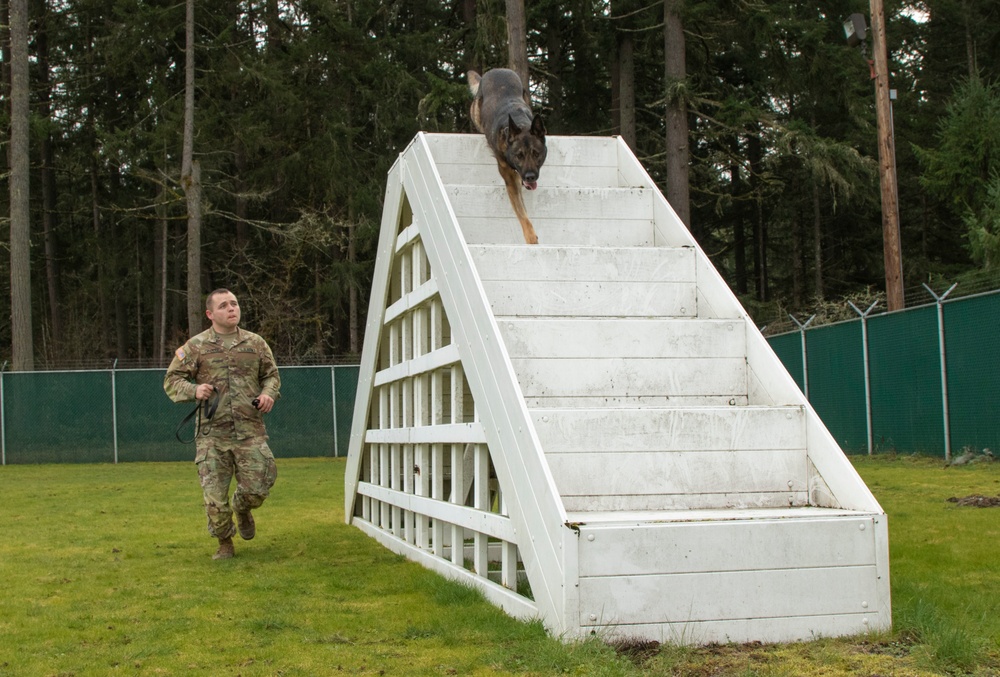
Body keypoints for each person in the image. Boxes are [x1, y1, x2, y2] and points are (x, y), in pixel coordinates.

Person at [164, 289, 280, 560]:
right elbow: (171, 380)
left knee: (259, 487)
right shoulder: (196, 346)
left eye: (235, 304)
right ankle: (225, 542)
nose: (232, 309)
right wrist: (194, 390)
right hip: (212, 435)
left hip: (250, 431)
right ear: (210, 314)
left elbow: (272, 376)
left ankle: (242, 507)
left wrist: (268, 394)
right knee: (215, 499)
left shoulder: (256, 343)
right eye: (224, 305)